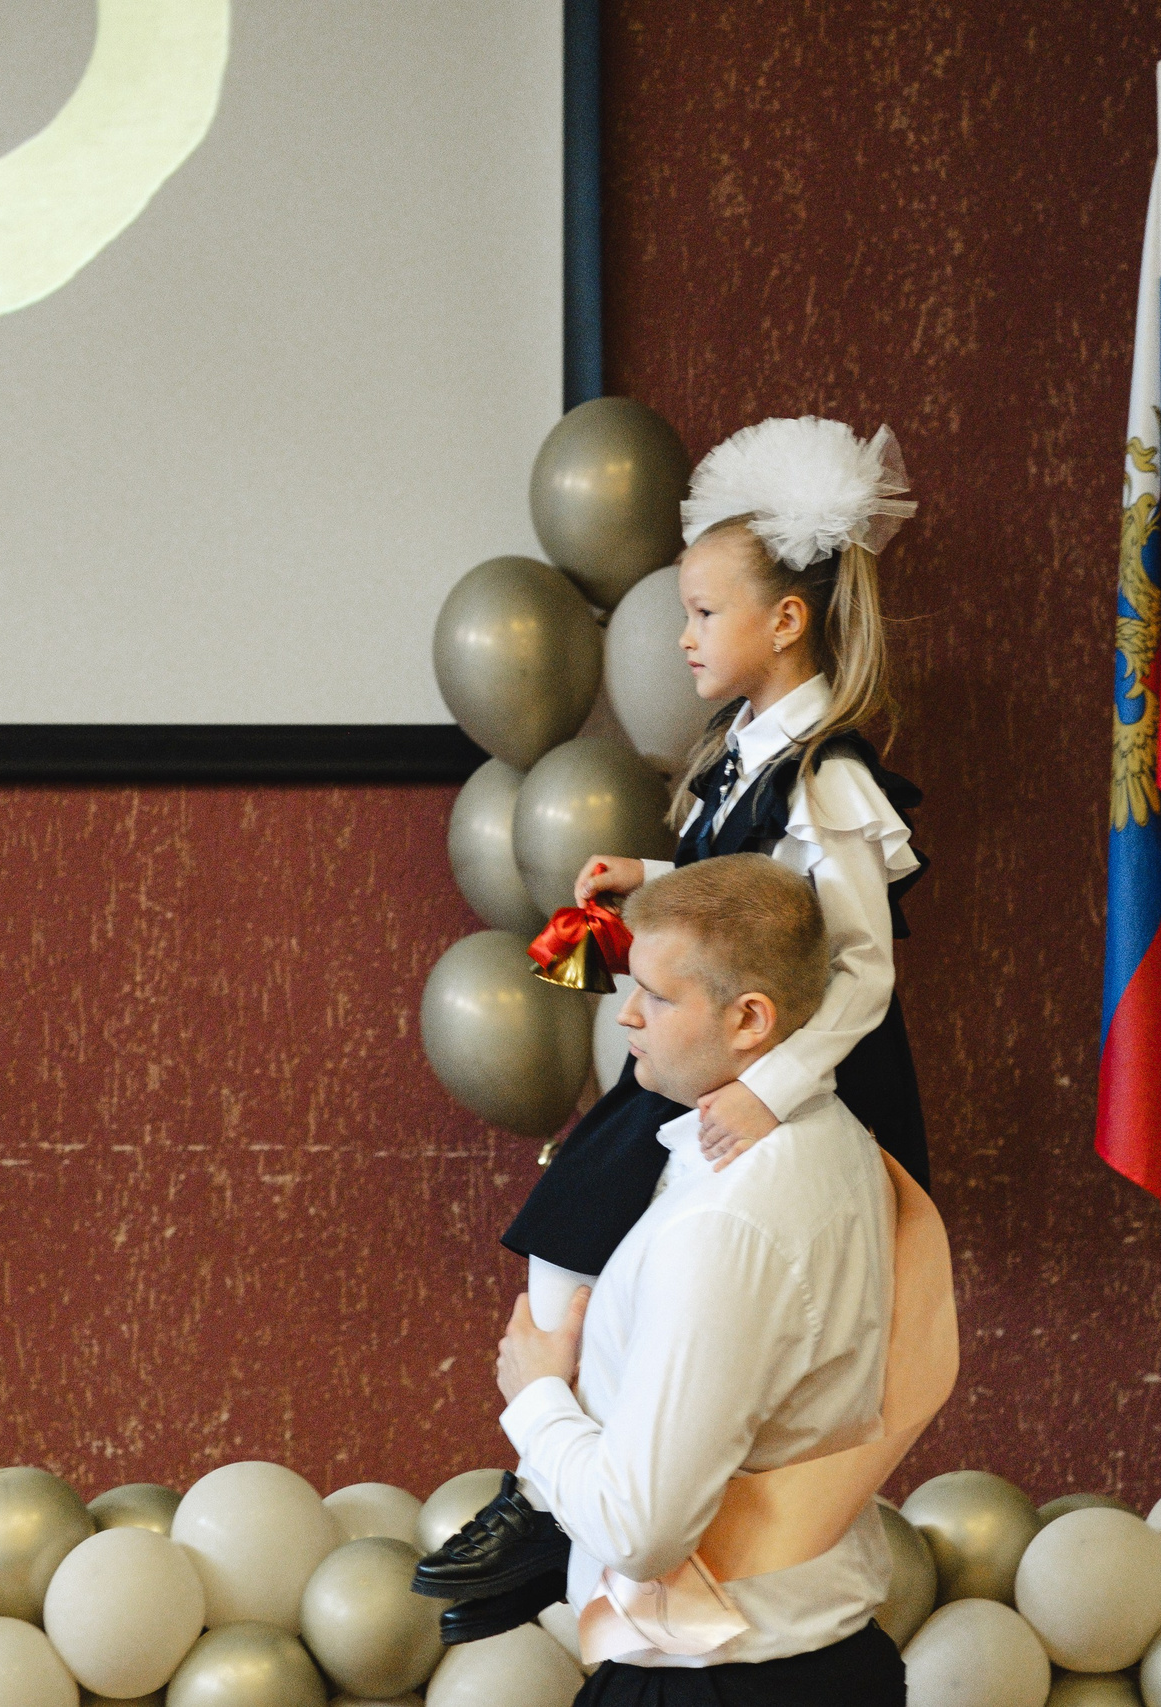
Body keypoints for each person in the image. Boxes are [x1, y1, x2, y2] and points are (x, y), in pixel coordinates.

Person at [417, 417, 929, 1640]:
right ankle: (563, 1476)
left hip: (787, 1066)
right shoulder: (742, 758)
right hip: (735, 1049)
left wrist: (769, 1090)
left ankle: (554, 1488)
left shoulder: (828, 779)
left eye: (701, 613)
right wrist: (648, 877)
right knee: (579, 1216)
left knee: (583, 1202)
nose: (681, 635)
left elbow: (861, 968)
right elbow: (749, 891)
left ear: (786, 622)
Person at [496, 855, 908, 1704]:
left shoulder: (726, 1221)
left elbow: (640, 1528)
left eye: (657, 995)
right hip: (815, 1666)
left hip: (721, 1685)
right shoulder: (836, 1136)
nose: (628, 1013)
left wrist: (536, 1397)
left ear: (750, 1018)